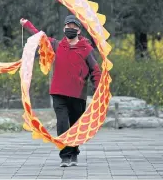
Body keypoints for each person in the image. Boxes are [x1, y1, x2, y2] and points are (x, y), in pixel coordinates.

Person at [20, 15, 102, 167]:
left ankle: (74, 153)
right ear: (64, 28)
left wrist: (98, 90)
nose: (69, 29)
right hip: (58, 91)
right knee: (63, 123)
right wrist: (27, 24)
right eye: (67, 26)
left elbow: (95, 71)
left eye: (73, 27)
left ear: (78, 30)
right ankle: (65, 156)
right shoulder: (57, 45)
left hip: (78, 94)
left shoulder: (86, 49)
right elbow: (40, 36)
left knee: (75, 125)